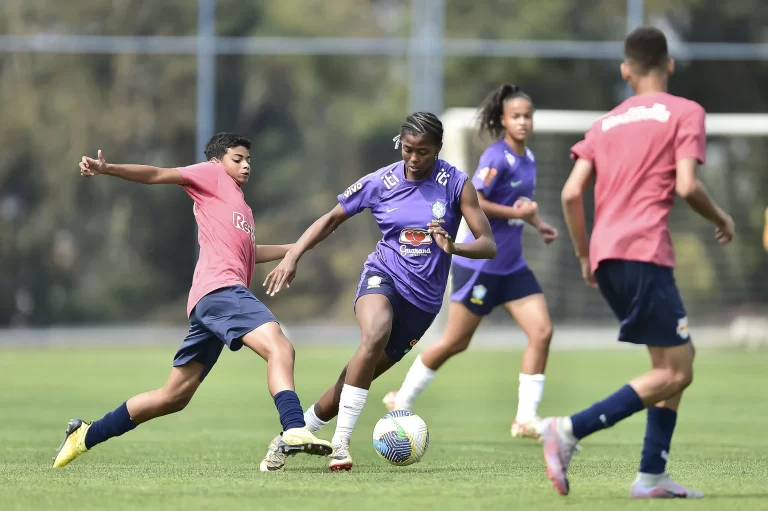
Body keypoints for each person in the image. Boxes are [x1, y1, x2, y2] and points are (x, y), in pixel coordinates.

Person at [52, 133, 332, 468]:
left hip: (210, 301)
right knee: (280, 348)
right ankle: (295, 428)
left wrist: (295, 249)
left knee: (174, 396)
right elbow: (157, 174)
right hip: (221, 291)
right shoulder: (211, 175)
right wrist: (108, 168)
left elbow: (248, 254)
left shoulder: (240, 206)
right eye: (238, 158)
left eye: (248, 161)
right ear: (218, 161)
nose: (246, 166)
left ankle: (84, 435)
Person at [540, 27, 734, 498]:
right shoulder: (686, 112)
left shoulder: (605, 124)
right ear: (669, 64)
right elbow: (687, 186)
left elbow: (570, 192)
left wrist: (586, 256)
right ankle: (566, 431)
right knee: (678, 371)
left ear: (626, 71)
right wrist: (722, 215)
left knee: (671, 363)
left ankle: (651, 477)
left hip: (608, 255)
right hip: (644, 251)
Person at [258, 112, 497, 471]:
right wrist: (294, 255)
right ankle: (341, 444)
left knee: (353, 378)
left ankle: (290, 438)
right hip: (382, 277)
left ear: (438, 150)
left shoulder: (456, 184)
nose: (413, 159)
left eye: (423, 152)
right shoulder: (380, 181)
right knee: (374, 334)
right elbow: (331, 219)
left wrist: (454, 247)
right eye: (408, 149)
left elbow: (488, 244)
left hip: (423, 303)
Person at [382, 84, 557, 440]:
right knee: (455, 342)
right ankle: (402, 397)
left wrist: (537, 223)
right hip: (480, 265)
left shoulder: (530, 159)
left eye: (528, 116)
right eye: (516, 116)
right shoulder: (496, 157)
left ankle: (525, 419)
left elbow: (519, 206)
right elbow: (475, 200)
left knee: (542, 332)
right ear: (503, 120)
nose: (523, 122)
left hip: (513, 266)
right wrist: (520, 214)